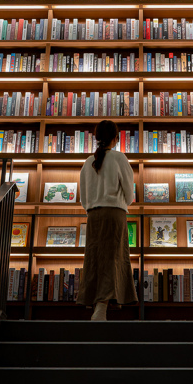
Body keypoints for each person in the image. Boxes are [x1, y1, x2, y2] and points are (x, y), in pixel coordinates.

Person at [77, 119, 137, 320]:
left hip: (93, 215)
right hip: (114, 213)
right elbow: (130, 194)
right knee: (114, 257)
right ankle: (103, 305)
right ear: (116, 137)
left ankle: (96, 302)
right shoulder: (119, 158)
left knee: (94, 258)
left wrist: (93, 206)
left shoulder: (87, 162)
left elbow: (83, 198)